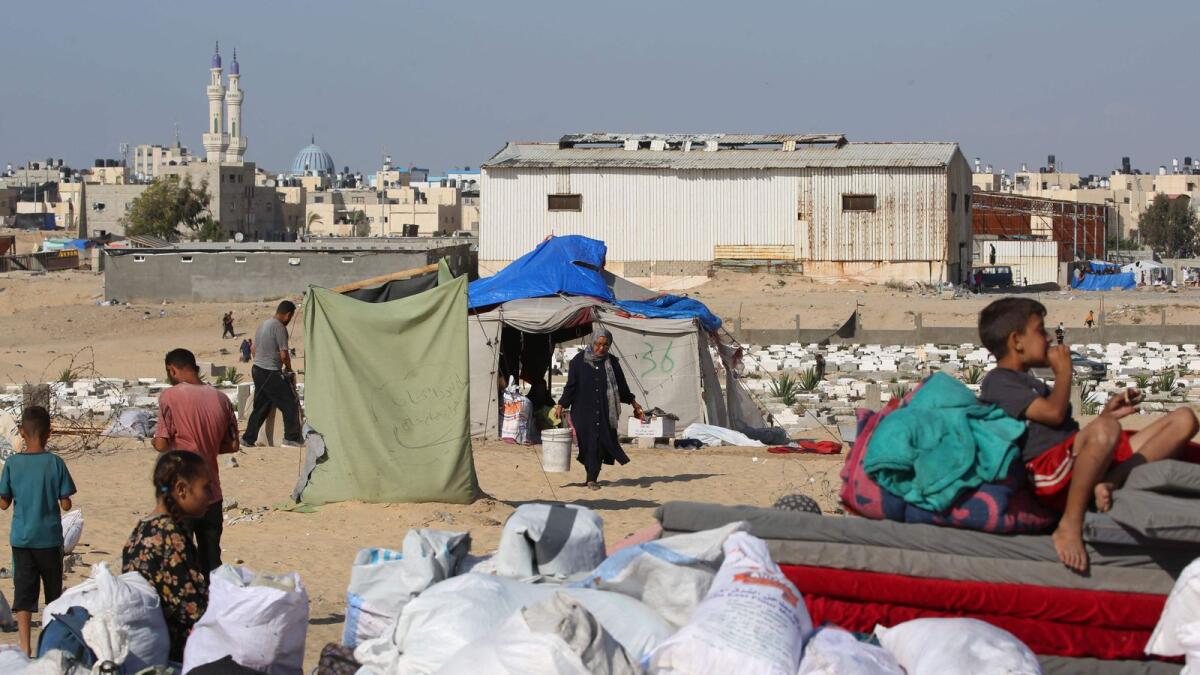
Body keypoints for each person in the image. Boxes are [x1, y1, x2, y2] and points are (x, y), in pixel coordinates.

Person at [977, 298, 1199, 573]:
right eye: (1040, 330)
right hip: (1047, 470)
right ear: (1017, 341)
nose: (1047, 338)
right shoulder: (999, 381)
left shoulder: (1031, 382)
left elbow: (1067, 429)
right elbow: (1054, 415)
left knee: (1184, 419)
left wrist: (1107, 414)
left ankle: (1109, 483)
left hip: (1074, 459)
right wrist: (1065, 373)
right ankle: (1070, 523)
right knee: (1106, 430)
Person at [153, 348, 239, 579]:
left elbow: (162, 443)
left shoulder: (170, 397)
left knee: (179, 560)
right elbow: (232, 445)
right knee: (211, 559)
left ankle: (188, 612)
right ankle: (214, 608)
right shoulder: (221, 399)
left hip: (183, 493)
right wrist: (206, 445)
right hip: (212, 492)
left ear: (172, 369)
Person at [0, 406, 76, 656]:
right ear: (49, 433)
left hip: (22, 539)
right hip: (50, 538)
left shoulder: (12, 463)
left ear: (22, 432)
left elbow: (3, 503)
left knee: (23, 595)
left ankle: (25, 646)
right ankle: (51, 644)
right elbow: (66, 504)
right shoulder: (55, 463)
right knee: (53, 593)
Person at [122, 451, 210, 663]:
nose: (210, 495)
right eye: (205, 487)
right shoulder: (170, 535)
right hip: (169, 654)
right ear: (181, 489)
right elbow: (193, 608)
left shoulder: (144, 527)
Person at [554, 328, 645, 490]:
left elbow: (622, 386)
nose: (601, 348)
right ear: (593, 342)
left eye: (605, 345)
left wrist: (633, 403)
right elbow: (571, 387)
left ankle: (592, 478)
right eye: (598, 344)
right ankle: (590, 475)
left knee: (599, 443)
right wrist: (561, 404)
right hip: (583, 410)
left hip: (605, 410)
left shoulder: (613, 362)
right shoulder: (578, 361)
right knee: (587, 443)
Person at [241, 301, 303, 448]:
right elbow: (284, 354)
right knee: (290, 403)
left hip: (257, 369)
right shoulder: (280, 327)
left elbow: (254, 349)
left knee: (262, 406)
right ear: (288, 315)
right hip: (270, 372)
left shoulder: (263, 324)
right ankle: (291, 438)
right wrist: (288, 369)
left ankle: (248, 439)